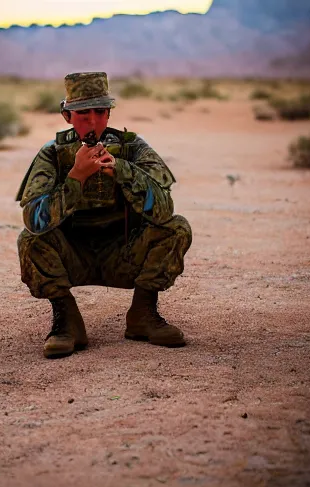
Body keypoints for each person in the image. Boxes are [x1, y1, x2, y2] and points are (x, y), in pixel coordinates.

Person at [16, 71, 192, 358]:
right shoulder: (52, 154)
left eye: (100, 111)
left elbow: (163, 211)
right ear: (67, 116)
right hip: (73, 256)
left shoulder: (132, 147)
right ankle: (67, 321)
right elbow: (35, 220)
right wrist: (75, 177)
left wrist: (124, 171)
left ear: (109, 113)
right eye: (83, 112)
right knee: (29, 240)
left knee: (176, 228)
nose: (93, 121)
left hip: (124, 255)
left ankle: (143, 315)